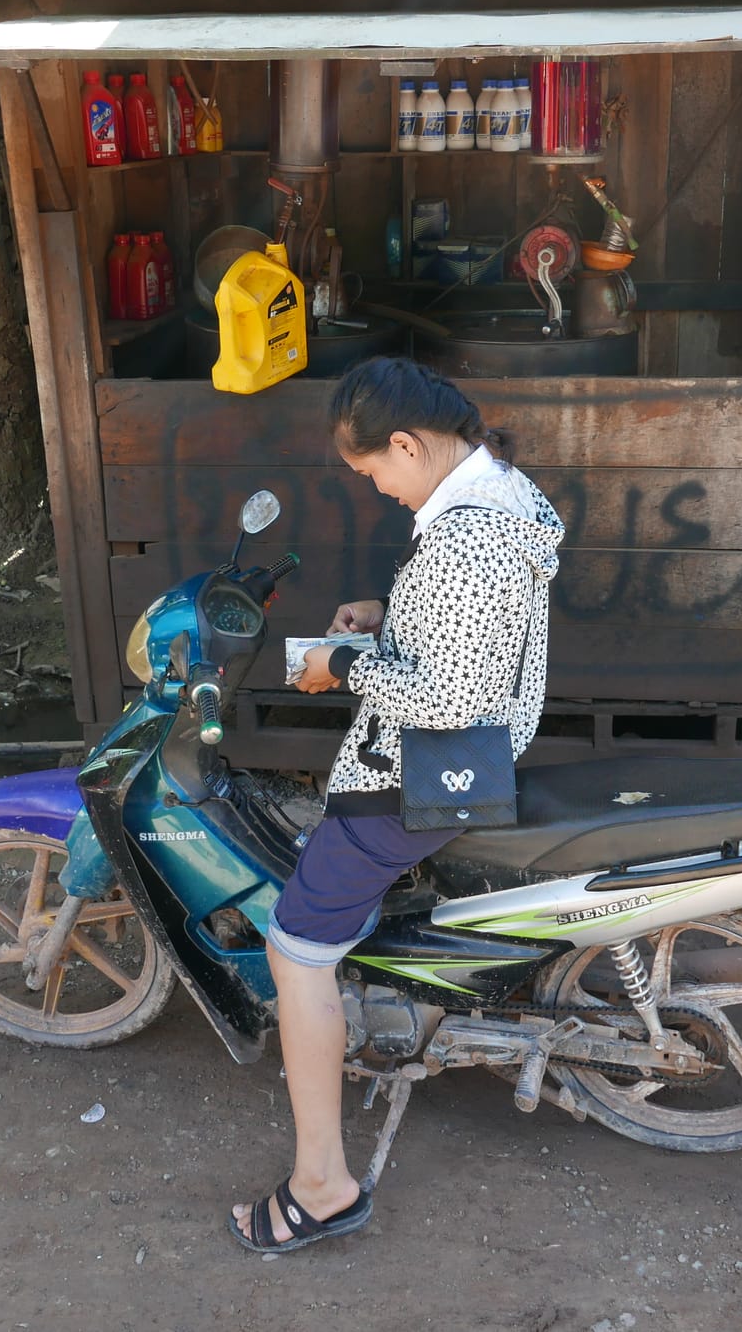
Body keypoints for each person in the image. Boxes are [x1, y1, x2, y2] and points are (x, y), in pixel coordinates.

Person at [227, 356, 563, 1254]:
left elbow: (449, 701)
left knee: (296, 954)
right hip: (484, 746)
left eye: (376, 472)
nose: (379, 489)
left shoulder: (463, 540)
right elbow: (479, 630)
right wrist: (396, 614)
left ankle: (322, 1185)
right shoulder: (507, 495)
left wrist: (339, 665)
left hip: (413, 781)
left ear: (409, 445)